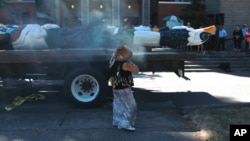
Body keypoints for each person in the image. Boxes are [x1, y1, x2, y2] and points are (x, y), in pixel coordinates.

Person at [107, 45, 139, 131]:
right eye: (129, 55)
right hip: (123, 87)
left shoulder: (113, 60)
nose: (130, 56)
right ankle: (125, 124)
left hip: (115, 86)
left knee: (118, 105)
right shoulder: (125, 64)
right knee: (130, 106)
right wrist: (131, 62)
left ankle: (118, 122)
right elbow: (137, 70)